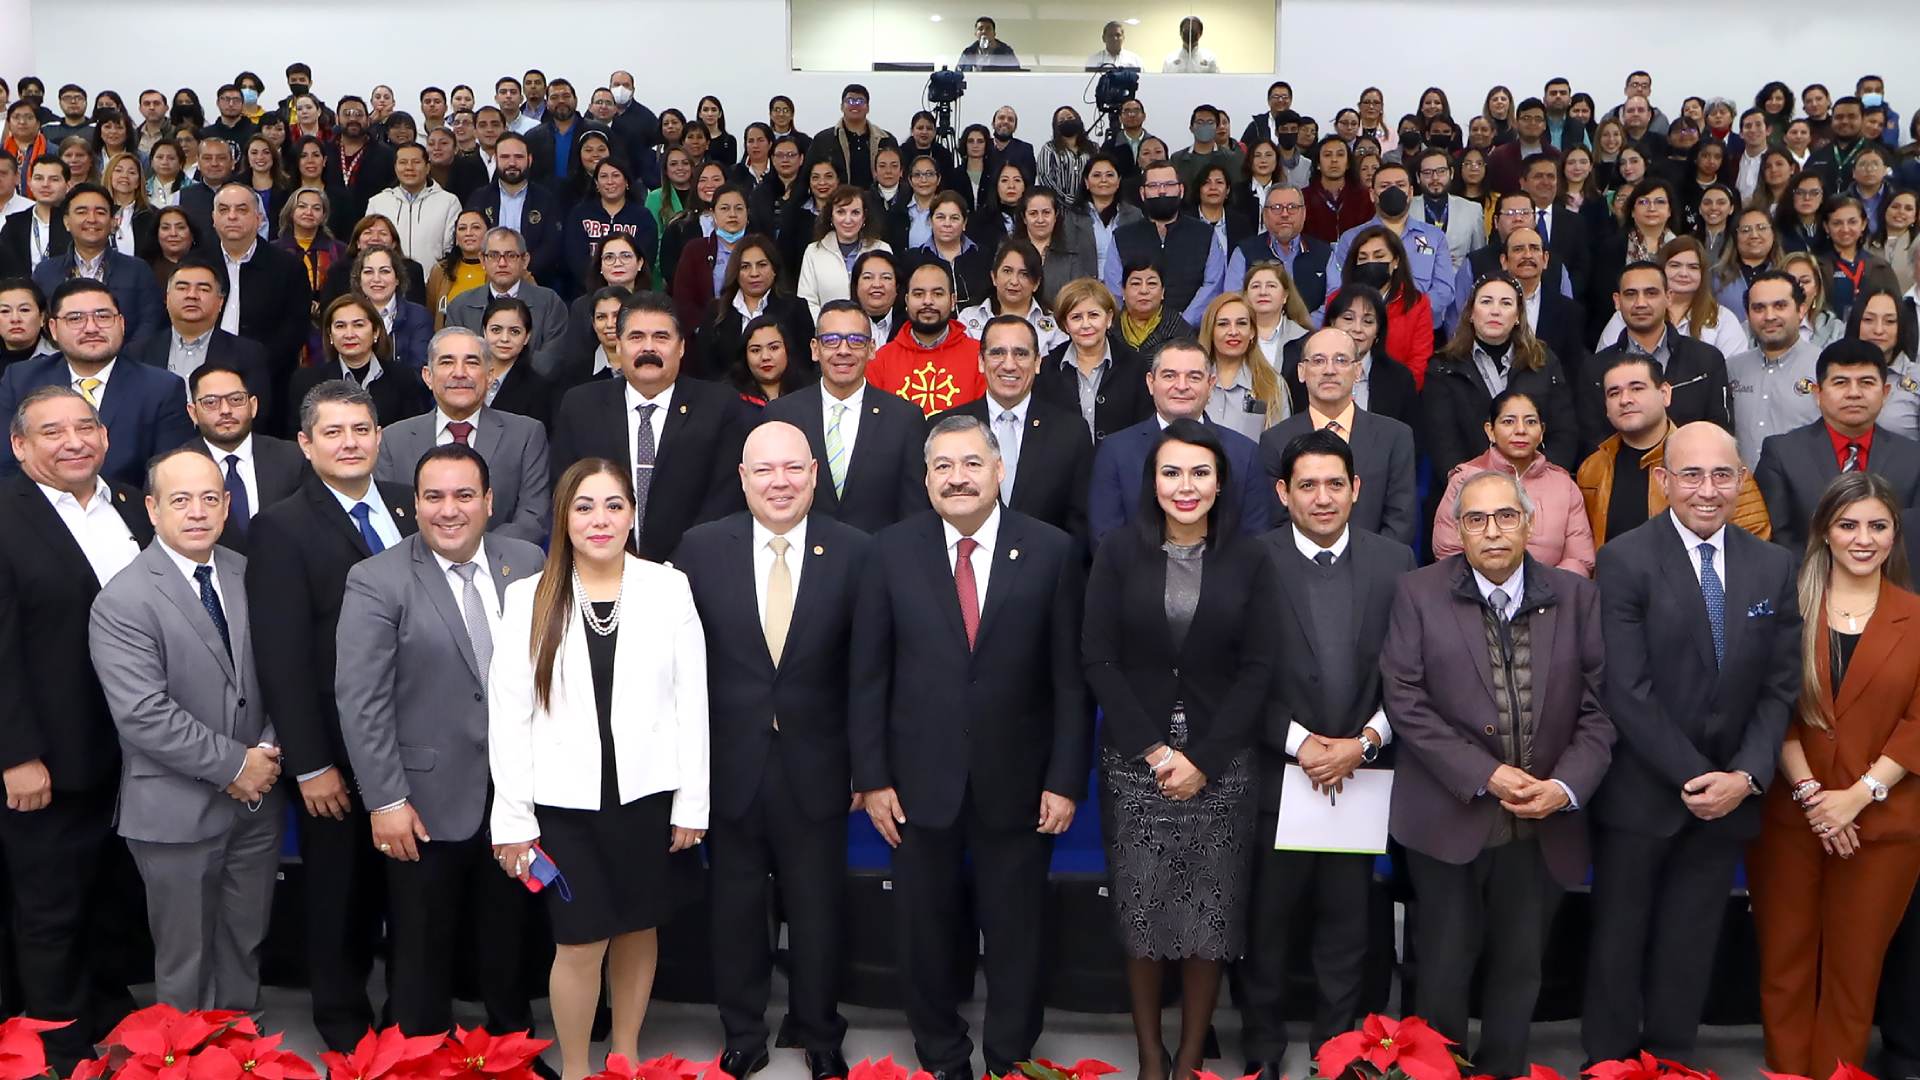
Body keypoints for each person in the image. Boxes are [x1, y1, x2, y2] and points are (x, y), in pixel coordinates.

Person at [849, 413, 1088, 1080]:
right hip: (916, 783)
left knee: (1017, 933)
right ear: (926, 479)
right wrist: (872, 776)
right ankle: (942, 1050)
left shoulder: (1052, 550)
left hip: (1021, 780)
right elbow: (869, 675)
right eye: (943, 467)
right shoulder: (888, 551)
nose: (958, 478)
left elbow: (1070, 679)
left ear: (998, 470)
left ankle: (1010, 1056)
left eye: (971, 463)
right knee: (923, 931)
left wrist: (1065, 779)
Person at [1381, 468, 1614, 1077]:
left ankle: (1504, 1067)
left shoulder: (1577, 596)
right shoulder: (1417, 592)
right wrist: (1488, 775)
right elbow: (1405, 701)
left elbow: (1600, 708)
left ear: (1530, 523)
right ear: (1458, 530)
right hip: (1448, 816)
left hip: (1542, 822)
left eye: (1506, 517)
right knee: (1443, 966)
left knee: (1520, 967)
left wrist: (1562, 787)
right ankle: (1439, 1069)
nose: (1492, 531)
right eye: (1476, 519)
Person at [1580, 421, 1800, 1062]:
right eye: (1693, 475)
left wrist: (1746, 777)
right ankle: (1610, 1067)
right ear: (1664, 480)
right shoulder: (1623, 558)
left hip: (1731, 797)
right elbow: (1627, 688)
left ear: (1741, 481)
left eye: (1723, 475)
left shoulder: (1772, 564)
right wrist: (1696, 776)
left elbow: (1780, 688)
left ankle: (1670, 1065)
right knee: (1618, 945)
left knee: (1690, 947)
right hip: (1643, 794)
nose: (1708, 490)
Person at [489, 457, 709, 1080]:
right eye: (584, 506)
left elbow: (692, 699)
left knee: (639, 929)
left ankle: (627, 1055)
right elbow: (509, 715)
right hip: (563, 805)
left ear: (633, 514)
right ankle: (580, 1067)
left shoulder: (668, 587)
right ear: (563, 516)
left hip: (646, 798)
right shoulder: (528, 595)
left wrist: (693, 802)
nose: (600, 519)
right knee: (580, 940)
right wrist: (513, 820)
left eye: (614, 505)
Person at [671, 421, 867, 1080]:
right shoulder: (699, 550)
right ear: (743, 478)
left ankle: (818, 1031)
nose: (779, 482)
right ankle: (743, 1031)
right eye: (764, 470)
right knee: (733, 909)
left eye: (791, 469)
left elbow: (867, 672)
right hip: (729, 763)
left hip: (819, 763)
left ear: (813, 473)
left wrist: (867, 767)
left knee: (818, 908)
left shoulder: (855, 550)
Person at [1082, 417, 1271, 1080]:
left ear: (1221, 483)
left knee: (1209, 916)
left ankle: (1190, 1059)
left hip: (1223, 760)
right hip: (1139, 759)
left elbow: (1259, 668)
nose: (1184, 486)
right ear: (1151, 481)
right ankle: (1149, 1059)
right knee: (1143, 912)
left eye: (1199, 472)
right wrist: (1158, 753)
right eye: (1171, 472)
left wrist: (1206, 759)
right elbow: (1098, 659)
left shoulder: (1251, 558)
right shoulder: (1117, 551)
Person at [335, 443, 542, 1039]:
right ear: (414, 505)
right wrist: (386, 801)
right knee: (421, 946)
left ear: (489, 502)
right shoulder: (377, 578)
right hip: (420, 800)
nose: (448, 510)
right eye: (433, 497)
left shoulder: (525, 560)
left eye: (463, 496)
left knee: (508, 936)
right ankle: (419, 1051)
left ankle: (514, 1048)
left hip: (513, 794)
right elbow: (361, 699)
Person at [244, 378, 414, 1051]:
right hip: (333, 753)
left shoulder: (412, 508)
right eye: (334, 432)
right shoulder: (280, 526)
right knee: (339, 896)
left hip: (418, 745)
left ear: (379, 437)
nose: (350, 443)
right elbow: (281, 657)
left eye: (361, 430)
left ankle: (411, 1018)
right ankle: (342, 1025)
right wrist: (310, 764)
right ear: (306, 444)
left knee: (410, 897)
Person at [1239, 428, 1415, 1077]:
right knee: (1268, 928)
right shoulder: (1251, 559)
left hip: (1360, 777)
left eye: (1334, 484)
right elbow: (1236, 673)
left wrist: (1365, 742)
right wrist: (1302, 744)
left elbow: (1414, 673)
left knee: (1348, 931)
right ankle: (1262, 1052)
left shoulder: (1394, 561)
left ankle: (1337, 1052)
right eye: (1307, 485)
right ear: (1283, 492)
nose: (1322, 497)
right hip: (1278, 774)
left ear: (1356, 489)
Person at [88, 446, 281, 1012]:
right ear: (152, 509)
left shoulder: (250, 574)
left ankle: (243, 1056)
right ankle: (187, 1062)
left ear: (225, 507)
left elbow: (279, 670)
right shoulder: (123, 599)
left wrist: (266, 749)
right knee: (185, 958)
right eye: (180, 500)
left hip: (257, 804)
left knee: (245, 945)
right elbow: (143, 712)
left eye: (208, 498)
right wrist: (236, 765)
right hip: (174, 811)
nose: (196, 512)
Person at [0, 385, 153, 1071]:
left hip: (133, 752)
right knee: (49, 904)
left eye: (85, 426)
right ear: (20, 446)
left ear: (106, 436)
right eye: (52, 431)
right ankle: (55, 1036)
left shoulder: (132, 505)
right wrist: (16, 754)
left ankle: (106, 1005)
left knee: (110, 891)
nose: (73, 441)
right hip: (49, 756)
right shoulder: (6, 515)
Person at [1748, 472, 1920, 1073]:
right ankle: (1787, 1070)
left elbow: (1918, 723)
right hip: (1792, 815)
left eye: (1877, 525)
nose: (1863, 538)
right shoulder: (1788, 607)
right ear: (1824, 532)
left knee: (1855, 967)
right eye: (1848, 525)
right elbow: (1771, 708)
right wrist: (1815, 797)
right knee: (1785, 961)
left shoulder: (1916, 617)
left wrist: (1860, 796)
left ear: (1895, 533)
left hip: (1885, 824)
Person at [549, 292, 747, 561]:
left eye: (661, 337)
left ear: (681, 347)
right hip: (600, 569)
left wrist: (678, 566)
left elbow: (725, 497)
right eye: (636, 337)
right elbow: (566, 491)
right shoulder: (580, 406)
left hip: (695, 571)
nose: (648, 348)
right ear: (618, 346)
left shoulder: (720, 407)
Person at [0, 279, 193, 484]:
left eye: (103, 316)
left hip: (124, 510)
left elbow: (171, 475)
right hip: (35, 509)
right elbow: (6, 462)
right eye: (75, 318)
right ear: (53, 329)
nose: (91, 328)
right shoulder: (20, 379)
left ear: (121, 323)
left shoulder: (161, 388)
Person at [373, 326, 552, 544]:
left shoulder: (526, 434)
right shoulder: (393, 440)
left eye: (472, 362)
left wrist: (474, 557)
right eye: (447, 362)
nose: (459, 373)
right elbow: (387, 519)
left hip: (499, 570)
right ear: (428, 376)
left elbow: (533, 519)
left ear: (489, 376)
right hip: (415, 571)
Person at [762, 299, 927, 532]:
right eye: (830, 340)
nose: (843, 350)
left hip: (879, 561)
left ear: (871, 349)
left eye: (856, 341)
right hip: (803, 560)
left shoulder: (904, 418)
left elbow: (915, 511)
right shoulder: (781, 414)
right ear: (814, 349)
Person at [1576, 353, 1772, 547]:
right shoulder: (1592, 470)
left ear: (1665, 394)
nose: (1625, 399)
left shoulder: (1716, 457)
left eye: (1636, 388)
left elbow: (1754, 543)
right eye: (1614, 393)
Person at [1089, 339, 1272, 542]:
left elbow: (1256, 539)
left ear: (1211, 384)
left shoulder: (1244, 453)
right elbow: (1104, 539)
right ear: (1151, 383)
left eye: (1194, 377)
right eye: (1170, 376)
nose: (1182, 386)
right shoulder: (1116, 451)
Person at [931, 314, 1091, 544]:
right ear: (980, 361)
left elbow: (1080, 525)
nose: (1009, 364)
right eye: (997, 353)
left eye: (1020, 353)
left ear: (1037, 363)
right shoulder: (944, 428)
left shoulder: (1070, 432)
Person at [1757, 339, 1920, 555]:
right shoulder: (1782, 453)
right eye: (1841, 382)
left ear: (1886, 393)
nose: (1854, 393)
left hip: (1892, 584)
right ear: (1818, 393)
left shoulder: (1912, 458)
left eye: (1867, 382)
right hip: (1806, 583)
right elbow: (1777, 540)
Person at [1259, 325, 1416, 545]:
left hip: (1377, 571)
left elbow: (1401, 519)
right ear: (1301, 372)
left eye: (1341, 360)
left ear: (1358, 370)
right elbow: (1276, 521)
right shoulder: (1275, 440)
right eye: (1318, 360)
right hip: (1299, 573)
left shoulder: (1395, 436)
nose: (1329, 370)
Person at [1423, 273, 1578, 478]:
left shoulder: (1544, 361)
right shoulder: (1443, 367)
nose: (1495, 311)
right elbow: (1443, 444)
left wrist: (1537, 483)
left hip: (1536, 489)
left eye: (1506, 303)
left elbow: (1564, 433)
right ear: (1470, 313)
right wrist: (1481, 491)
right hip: (1468, 493)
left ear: (1517, 316)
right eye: (1486, 302)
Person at [1431, 389, 1595, 574]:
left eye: (1531, 422)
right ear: (1490, 431)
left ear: (1542, 432)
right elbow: (1448, 552)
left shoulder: (1563, 486)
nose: (1520, 430)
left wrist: (1541, 593)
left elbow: (1579, 559)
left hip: (1551, 597)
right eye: (1508, 421)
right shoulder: (1465, 480)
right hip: (1478, 598)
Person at [1582, 259, 1734, 452]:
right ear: (1617, 301)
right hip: (1620, 476)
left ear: (1668, 297)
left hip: (1692, 474)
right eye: (1631, 294)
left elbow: (1720, 432)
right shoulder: (1596, 368)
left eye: (1651, 293)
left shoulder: (1706, 360)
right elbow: (1591, 440)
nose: (1641, 303)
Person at [206, 184, 312, 430]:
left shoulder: (288, 267)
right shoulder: (196, 263)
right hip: (204, 379)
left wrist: (255, 367)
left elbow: (294, 330)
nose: (232, 216)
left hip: (269, 384)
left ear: (258, 217)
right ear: (213, 219)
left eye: (241, 209)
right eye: (224, 209)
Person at [185, 360, 307, 552]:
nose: (225, 410)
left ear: (253, 406)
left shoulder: (294, 459)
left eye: (235, 399)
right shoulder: (173, 468)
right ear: (193, 413)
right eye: (211, 402)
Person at [31, 183, 165, 352]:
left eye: (100, 212)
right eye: (82, 212)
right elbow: (38, 323)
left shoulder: (137, 270)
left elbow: (150, 322)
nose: (92, 219)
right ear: (66, 222)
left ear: (112, 222)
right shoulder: (46, 272)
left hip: (124, 366)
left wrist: (120, 361)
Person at [1325, 162, 1453, 331]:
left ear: (1411, 192)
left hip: (1423, 331)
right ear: (1372, 194)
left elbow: (1444, 289)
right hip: (1365, 332)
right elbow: (1340, 287)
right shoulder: (1351, 238)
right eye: (1384, 186)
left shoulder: (1434, 236)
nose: (1393, 191)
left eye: (1400, 185)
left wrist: (1412, 315)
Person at [1102, 163, 1224, 329]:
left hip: (1192, 333)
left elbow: (1213, 284)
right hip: (1134, 335)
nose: (1162, 191)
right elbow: (1114, 290)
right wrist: (1136, 323)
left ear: (1181, 190)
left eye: (1169, 185)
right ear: (1142, 193)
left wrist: (1181, 324)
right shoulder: (1122, 236)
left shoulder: (1204, 233)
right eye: (1153, 186)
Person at [1726, 271, 1826, 466]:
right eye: (1759, 308)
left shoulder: (1824, 368)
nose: (1769, 316)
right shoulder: (1731, 369)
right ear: (1747, 315)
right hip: (1742, 492)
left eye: (1780, 306)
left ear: (1801, 310)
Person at [1037, 276, 1150, 444]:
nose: (1086, 324)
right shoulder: (1048, 367)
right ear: (1065, 325)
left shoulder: (1135, 365)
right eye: (1076, 317)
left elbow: (1144, 427)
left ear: (1109, 318)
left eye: (1093, 315)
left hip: (1120, 466)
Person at [444, 227, 570, 373]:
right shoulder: (460, 306)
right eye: (493, 255)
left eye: (510, 255)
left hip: (533, 390)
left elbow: (552, 360)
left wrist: (506, 375)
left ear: (525, 260)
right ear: (482, 260)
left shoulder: (549, 302)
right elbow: (454, 358)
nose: (502, 263)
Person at [868, 260, 984, 416]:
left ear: (952, 301)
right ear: (907, 301)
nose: (928, 301)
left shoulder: (979, 357)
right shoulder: (881, 359)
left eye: (937, 294)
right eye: (918, 294)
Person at [465, 134, 563, 291]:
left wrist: (520, 270)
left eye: (518, 157)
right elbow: (471, 240)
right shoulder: (479, 198)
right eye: (505, 157)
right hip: (485, 282)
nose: (512, 163)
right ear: (496, 159)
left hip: (535, 282)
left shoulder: (546, 199)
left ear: (529, 160)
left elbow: (551, 244)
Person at [1225, 185, 1331, 314]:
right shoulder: (1244, 252)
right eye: (1276, 208)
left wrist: (1306, 326)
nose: (1285, 214)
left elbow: (1334, 298)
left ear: (1304, 213)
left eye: (1292, 207)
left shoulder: (1324, 253)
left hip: (1312, 332)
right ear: (1264, 214)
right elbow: (1234, 300)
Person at [797, 185, 889, 320]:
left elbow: (890, 296)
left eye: (855, 213)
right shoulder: (813, 252)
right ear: (831, 217)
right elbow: (807, 301)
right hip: (828, 335)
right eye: (841, 212)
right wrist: (830, 327)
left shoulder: (882, 249)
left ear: (864, 217)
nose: (848, 219)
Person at [364, 142, 461, 265]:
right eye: (403, 162)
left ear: (427, 168)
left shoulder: (448, 202)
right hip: (387, 279)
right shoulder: (378, 202)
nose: (409, 167)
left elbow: (451, 249)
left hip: (433, 280)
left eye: (416, 162)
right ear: (395, 167)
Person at [808, 84, 893, 192]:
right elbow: (807, 175)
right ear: (842, 106)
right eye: (850, 101)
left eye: (860, 101)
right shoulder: (823, 140)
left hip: (876, 204)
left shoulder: (886, 139)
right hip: (838, 203)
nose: (855, 105)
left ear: (867, 108)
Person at [0, 155, 70, 277]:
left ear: (67, 185)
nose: (45, 184)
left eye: (54, 179)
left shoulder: (76, 223)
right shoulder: (14, 223)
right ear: (29, 183)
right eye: (38, 178)